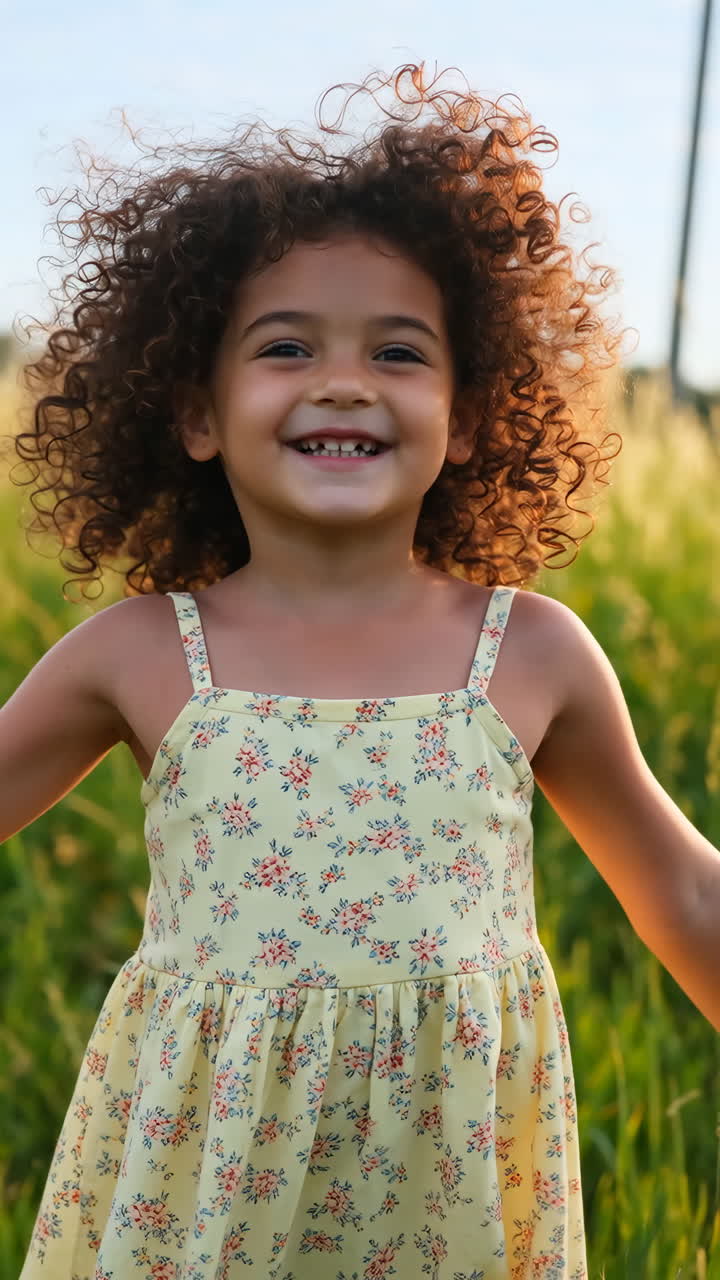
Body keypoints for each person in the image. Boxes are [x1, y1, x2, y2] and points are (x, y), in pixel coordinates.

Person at [5, 62, 718, 1280]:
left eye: (399, 352)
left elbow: (688, 896)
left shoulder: (531, 651)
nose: (344, 380)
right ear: (195, 411)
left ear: (474, 412)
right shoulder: (140, 651)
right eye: (286, 347)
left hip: (447, 1195)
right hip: (206, 1189)